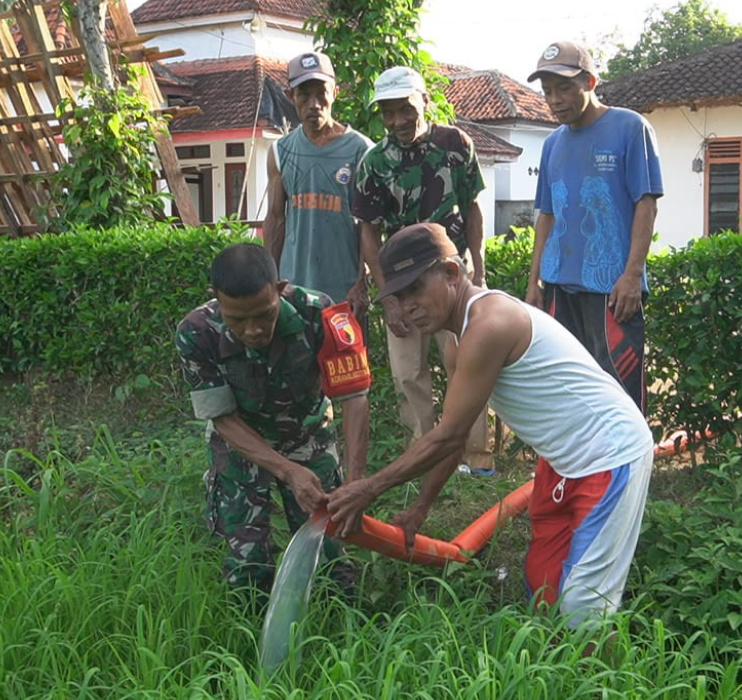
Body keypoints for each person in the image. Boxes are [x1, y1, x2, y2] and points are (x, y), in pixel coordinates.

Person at [327, 223, 654, 631]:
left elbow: (445, 435)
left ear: (450, 273)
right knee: (543, 585)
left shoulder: (489, 323)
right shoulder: (457, 345)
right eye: (398, 297)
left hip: (610, 453)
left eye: (414, 290)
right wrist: (419, 509)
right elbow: (457, 435)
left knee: (583, 609)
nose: (407, 306)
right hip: (563, 460)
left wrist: (369, 488)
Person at [175, 243, 370, 600]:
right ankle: (249, 642)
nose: (253, 330)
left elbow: (354, 398)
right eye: (238, 320)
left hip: (307, 434)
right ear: (215, 299)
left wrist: (356, 484)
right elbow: (223, 418)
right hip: (241, 445)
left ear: (280, 289)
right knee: (247, 564)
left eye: (265, 314)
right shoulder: (196, 332)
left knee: (330, 556)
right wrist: (287, 471)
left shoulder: (322, 314)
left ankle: (344, 633)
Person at [353, 65, 493, 471]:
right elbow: (368, 232)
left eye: (405, 109)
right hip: (402, 282)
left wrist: (478, 269)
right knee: (407, 373)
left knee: (468, 360)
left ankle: (475, 456)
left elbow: (472, 208)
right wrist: (388, 296)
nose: (397, 121)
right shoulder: (374, 162)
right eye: (388, 112)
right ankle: (424, 455)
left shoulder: (456, 144)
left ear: (424, 102)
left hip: (452, 275)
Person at [525, 40, 663, 414]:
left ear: (590, 81)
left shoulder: (630, 127)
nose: (554, 99)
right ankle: (584, 471)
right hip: (558, 287)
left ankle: (628, 470)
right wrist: (534, 282)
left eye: (564, 88)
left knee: (618, 389)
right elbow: (548, 215)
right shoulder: (552, 144)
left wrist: (632, 275)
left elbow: (646, 205)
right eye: (548, 91)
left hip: (611, 290)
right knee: (569, 390)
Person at [263, 51, 373, 320]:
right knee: (296, 363)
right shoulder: (280, 151)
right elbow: (276, 219)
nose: (314, 104)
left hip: (344, 294)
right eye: (304, 95)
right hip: (292, 293)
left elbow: (369, 227)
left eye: (321, 93)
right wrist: (269, 283)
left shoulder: (361, 150)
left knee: (345, 363)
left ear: (335, 93)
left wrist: (361, 284)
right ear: (291, 97)